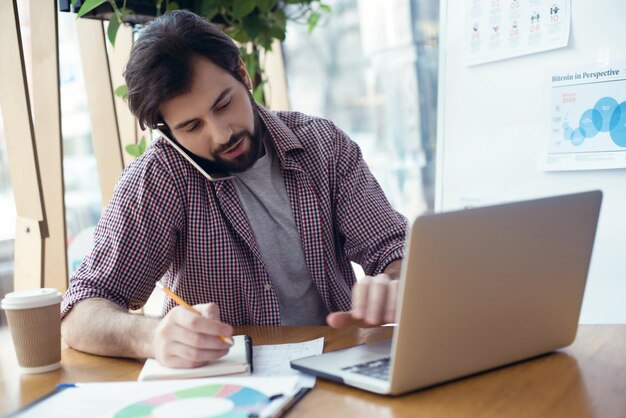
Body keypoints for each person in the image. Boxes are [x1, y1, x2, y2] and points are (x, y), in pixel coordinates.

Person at [61, 10, 407, 369]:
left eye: (224, 104)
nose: (221, 134)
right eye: (192, 126)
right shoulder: (159, 178)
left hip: (339, 364)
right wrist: (151, 336)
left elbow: (396, 249)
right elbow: (80, 310)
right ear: (167, 132)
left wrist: (395, 282)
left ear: (243, 75)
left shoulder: (323, 146)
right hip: (226, 384)